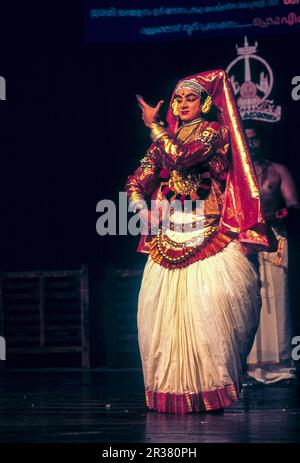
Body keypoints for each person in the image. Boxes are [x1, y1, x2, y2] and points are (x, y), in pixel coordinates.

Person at [125, 70, 273, 414]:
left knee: (211, 319)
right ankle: (174, 391)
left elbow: (181, 157)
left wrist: (155, 126)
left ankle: (209, 390)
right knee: (162, 324)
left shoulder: (214, 133)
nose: (182, 103)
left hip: (210, 238)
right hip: (169, 240)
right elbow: (138, 178)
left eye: (190, 97)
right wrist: (140, 209)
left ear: (206, 102)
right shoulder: (163, 140)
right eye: (178, 98)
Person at [245, 123, 299, 384]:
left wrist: (278, 216)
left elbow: (293, 204)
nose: (251, 145)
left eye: (255, 140)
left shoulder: (277, 171)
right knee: (248, 300)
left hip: (275, 239)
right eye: (247, 140)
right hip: (245, 242)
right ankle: (249, 366)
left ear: (261, 142)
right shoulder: (236, 176)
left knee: (276, 298)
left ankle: (279, 365)